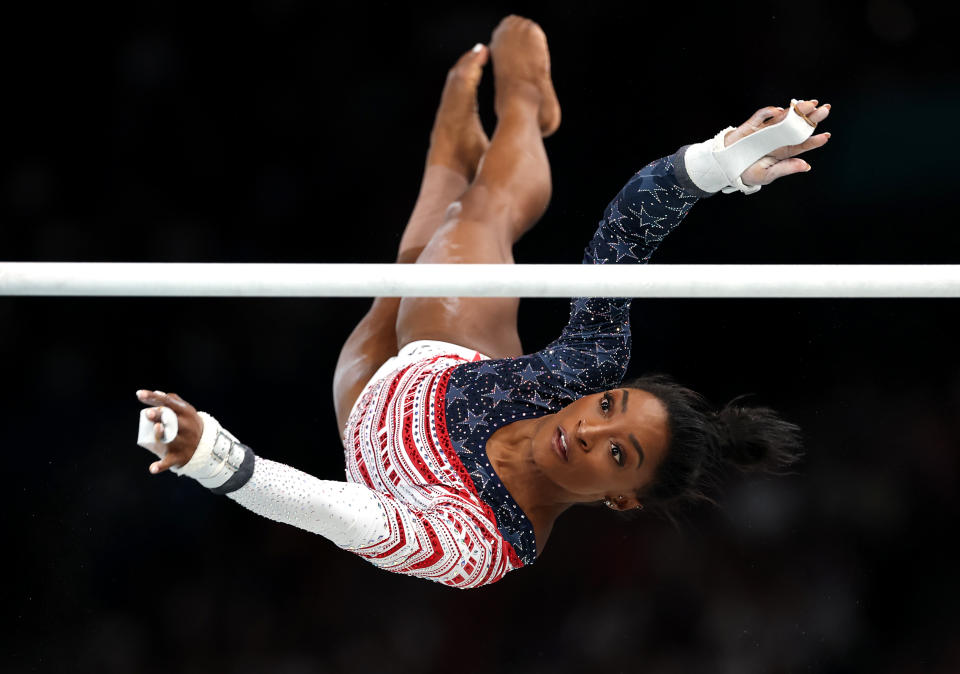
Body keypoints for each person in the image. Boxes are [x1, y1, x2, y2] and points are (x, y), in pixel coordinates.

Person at [136, 16, 828, 589]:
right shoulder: (584, 371)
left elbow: (338, 514)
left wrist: (216, 460)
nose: (589, 430)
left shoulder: (481, 546)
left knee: (409, 265)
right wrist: (717, 164)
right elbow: (623, 233)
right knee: (476, 220)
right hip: (449, 358)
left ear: (623, 499)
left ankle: (451, 152)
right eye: (609, 408)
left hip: (369, 432)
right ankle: (525, 106)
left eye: (619, 457)